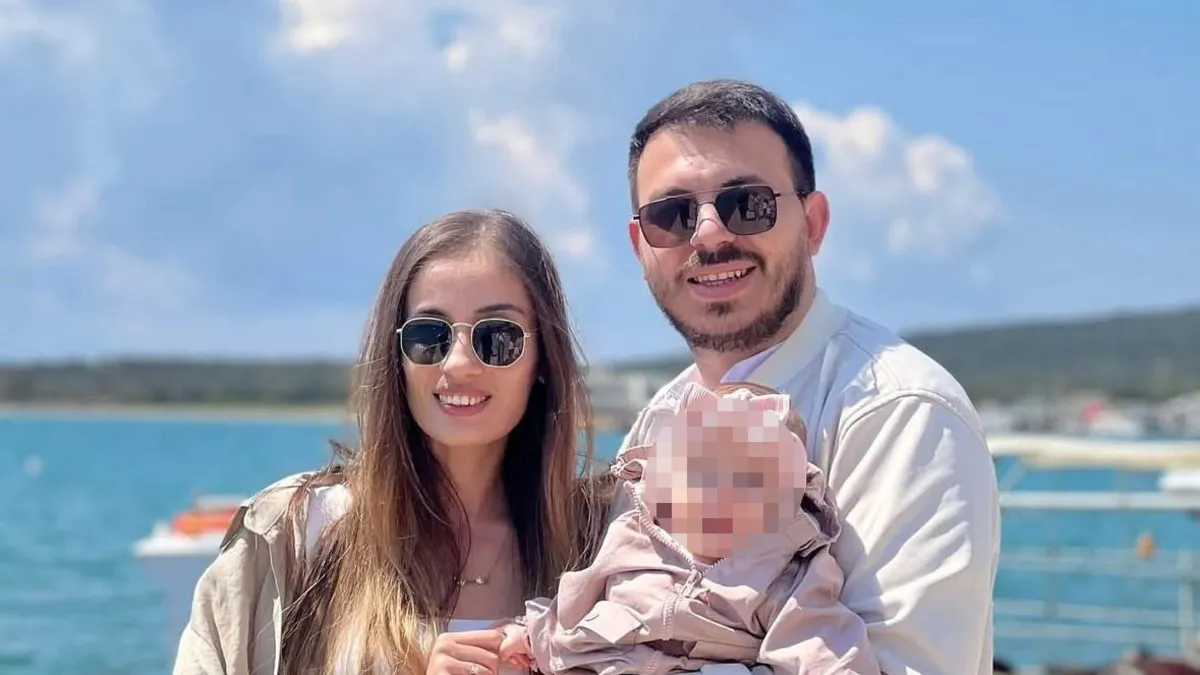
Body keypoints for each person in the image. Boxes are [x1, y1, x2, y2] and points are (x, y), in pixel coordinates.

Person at [621, 79, 1001, 675]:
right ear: (641, 248)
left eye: (748, 204)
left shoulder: (899, 415)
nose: (710, 234)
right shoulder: (657, 421)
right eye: (672, 215)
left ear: (814, 223)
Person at [172, 209, 609, 675]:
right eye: (429, 336)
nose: (458, 364)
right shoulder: (294, 534)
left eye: (497, 337)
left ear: (543, 358)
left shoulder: (604, 545)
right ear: (395, 357)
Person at [495, 381, 881, 675]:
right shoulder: (633, 538)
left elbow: (822, 645)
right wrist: (531, 635)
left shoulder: (782, 578)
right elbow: (575, 606)